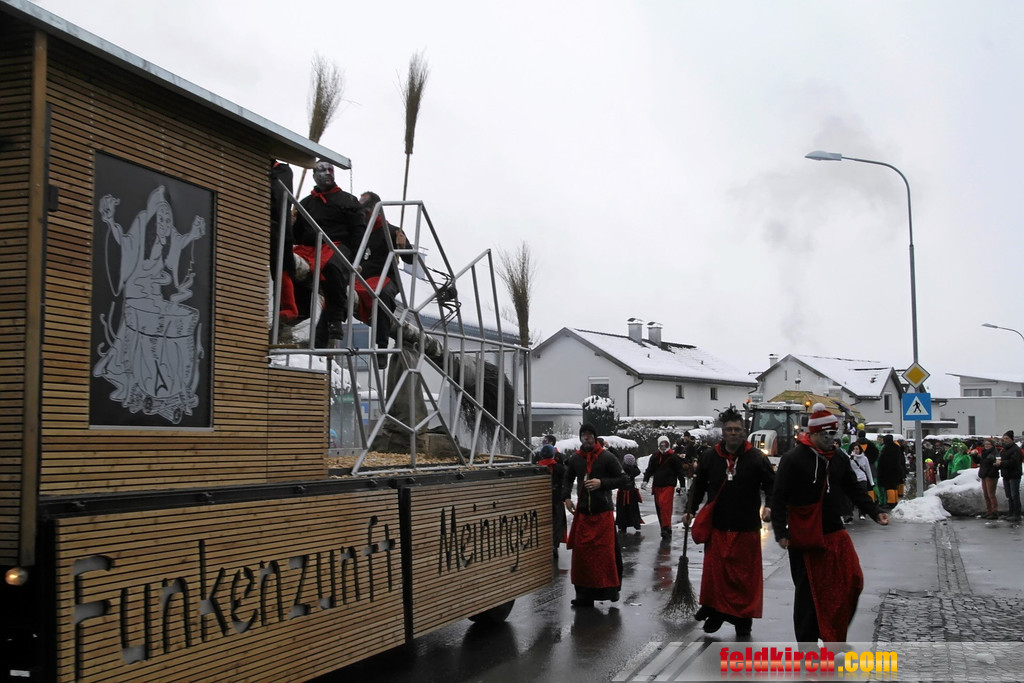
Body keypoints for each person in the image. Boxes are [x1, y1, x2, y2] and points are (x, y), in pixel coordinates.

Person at [771, 404, 889, 645]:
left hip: (834, 530)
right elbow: (779, 496)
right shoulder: (793, 459)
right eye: (825, 434)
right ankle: (807, 647)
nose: (830, 439)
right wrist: (781, 531)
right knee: (808, 593)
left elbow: (854, 488)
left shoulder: (839, 458)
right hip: (804, 534)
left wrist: (875, 512)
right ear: (813, 434)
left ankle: (834, 636)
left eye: (833, 434)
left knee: (851, 581)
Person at [684, 406, 774, 636]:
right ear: (723, 432)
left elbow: (772, 485)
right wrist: (690, 510)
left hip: (746, 527)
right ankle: (716, 611)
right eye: (729, 429)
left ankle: (742, 619)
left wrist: (770, 507)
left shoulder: (756, 458)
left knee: (744, 580)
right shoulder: (710, 457)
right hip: (719, 525)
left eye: (737, 429)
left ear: (743, 432)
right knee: (717, 576)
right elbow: (698, 487)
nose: (733, 433)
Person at [292, 161, 365, 347]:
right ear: (314, 175)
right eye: (322, 170)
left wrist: (356, 258)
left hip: (337, 246)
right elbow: (297, 235)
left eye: (330, 170)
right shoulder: (305, 203)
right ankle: (297, 311)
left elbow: (358, 232)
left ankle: (335, 319)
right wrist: (292, 222)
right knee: (287, 262)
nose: (327, 173)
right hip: (309, 248)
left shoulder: (348, 200)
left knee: (332, 267)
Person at [562, 424, 631, 608]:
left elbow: (624, 480)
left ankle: (611, 590)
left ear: (595, 437)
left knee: (605, 556)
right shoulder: (576, 458)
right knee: (581, 558)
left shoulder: (607, 457)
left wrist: (602, 483)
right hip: (584, 514)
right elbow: (567, 478)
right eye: (583, 435)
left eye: (590, 435)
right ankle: (583, 595)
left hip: (602, 513)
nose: (587, 438)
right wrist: (566, 497)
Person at [355, 192, 415, 366]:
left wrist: (403, 247)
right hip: (362, 278)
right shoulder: (359, 232)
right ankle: (329, 331)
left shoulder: (393, 231)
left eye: (366, 211)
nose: (363, 215)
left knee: (382, 295)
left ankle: (382, 347)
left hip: (386, 277)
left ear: (376, 210)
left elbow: (410, 259)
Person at [269, 160, 299, 336]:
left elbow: (280, 198)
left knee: (281, 267)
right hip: (274, 227)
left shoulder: (282, 170)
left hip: (277, 227)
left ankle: (288, 311)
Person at [642, 436, 687, 539]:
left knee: (665, 506)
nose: (663, 447)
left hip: (668, 485)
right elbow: (649, 469)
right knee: (659, 508)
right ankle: (665, 527)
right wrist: (645, 480)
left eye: (665, 444)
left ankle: (665, 527)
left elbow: (680, 472)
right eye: (661, 445)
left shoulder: (673, 457)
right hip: (657, 485)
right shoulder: (655, 456)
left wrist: (683, 485)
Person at [535, 440, 567, 555]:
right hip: (556, 499)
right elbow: (565, 482)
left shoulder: (536, 468)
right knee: (557, 522)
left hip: (540, 500)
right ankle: (554, 544)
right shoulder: (559, 468)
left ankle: (542, 543)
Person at [876, 434, 907, 510]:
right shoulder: (897, 447)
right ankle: (895, 500)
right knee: (894, 486)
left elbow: (882, 461)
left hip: (888, 471)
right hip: (896, 470)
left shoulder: (886, 449)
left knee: (889, 487)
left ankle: (891, 502)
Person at [616, 453, 643, 534]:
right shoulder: (633, 470)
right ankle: (636, 523)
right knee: (633, 509)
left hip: (622, 492)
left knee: (622, 510)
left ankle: (622, 525)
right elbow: (638, 471)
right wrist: (634, 465)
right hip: (631, 492)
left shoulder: (621, 469)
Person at [998, 431, 1022, 522]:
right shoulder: (1004, 449)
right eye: (1004, 438)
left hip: (1014, 475)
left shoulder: (1016, 449)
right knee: (1009, 496)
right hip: (1006, 475)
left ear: (1012, 439)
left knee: (1014, 495)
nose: (1005, 440)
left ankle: (1017, 514)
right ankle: (1011, 513)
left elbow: (1014, 462)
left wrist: (1002, 463)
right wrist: (998, 464)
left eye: (1007, 438)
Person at [848, 443, 875, 520]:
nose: (855, 450)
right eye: (854, 449)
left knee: (862, 496)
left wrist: (871, 481)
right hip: (853, 479)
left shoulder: (864, 458)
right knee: (851, 496)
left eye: (857, 449)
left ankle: (862, 513)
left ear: (860, 450)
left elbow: (868, 470)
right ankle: (849, 513)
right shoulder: (850, 458)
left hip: (862, 478)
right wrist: (851, 458)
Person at [977, 438, 999, 519]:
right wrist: (974, 456)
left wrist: (990, 473)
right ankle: (989, 511)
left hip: (991, 476)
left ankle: (994, 511)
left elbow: (997, 465)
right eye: (985, 444)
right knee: (986, 495)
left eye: (988, 444)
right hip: (984, 475)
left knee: (991, 494)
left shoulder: (995, 453)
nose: (986, 446)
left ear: (992, 445)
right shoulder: (983, 453)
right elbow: (978, 462)